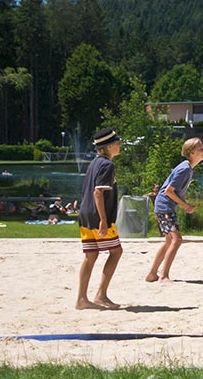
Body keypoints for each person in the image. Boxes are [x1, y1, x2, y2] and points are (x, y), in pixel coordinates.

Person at [75, 128, 124, 310]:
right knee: (116, 252)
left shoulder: (94, 163)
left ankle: (81, 299)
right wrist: (104, 219)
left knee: (91, 255)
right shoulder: (107, 165)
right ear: (109, 146)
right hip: (97, 216)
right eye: (117, 143)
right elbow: (98, 193)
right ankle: (101, 295)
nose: (119, 146)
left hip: (85, 215)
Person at [146, 137, 203, 283]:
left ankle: (152, 274)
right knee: (177, 240)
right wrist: (185, 206)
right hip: (165, 206)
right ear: (191, 152)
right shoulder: (184, 169)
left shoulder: (187, 168)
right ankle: (164, 276)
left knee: (169, 241)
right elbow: (169, 191)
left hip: (165, 206)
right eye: (200, 148)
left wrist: (184, 204)